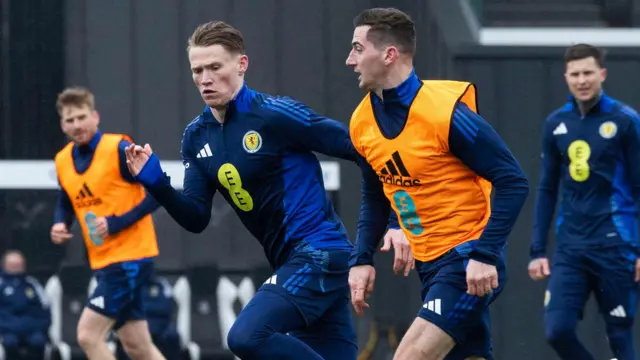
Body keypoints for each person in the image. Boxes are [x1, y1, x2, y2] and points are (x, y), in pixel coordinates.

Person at [123, 21, 360, 360]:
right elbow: (195, 217)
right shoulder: (196, 137)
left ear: (241, 64)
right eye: (197, 70)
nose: (205, 78)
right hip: (288, 262)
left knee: (247, 336)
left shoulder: (274, 114)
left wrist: (392, 224)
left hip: (319, 253)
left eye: (215, 67)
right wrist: (156, 182)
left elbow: (361, 149)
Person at [346, 8, 530, 360]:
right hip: (430, 266)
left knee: (409, 356)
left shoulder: (445, 114)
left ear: (389, 54)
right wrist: (361, 259)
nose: (349, 59)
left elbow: (513, 181)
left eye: (357, 48)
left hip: (467, 262)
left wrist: (484, 254)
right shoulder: (361, 121)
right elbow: (375, 195)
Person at [528, 44, 640, 360]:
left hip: (616, 246)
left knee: (619, 335)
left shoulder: (625, 121)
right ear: (566, 78)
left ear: (602, 74)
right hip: (571, 248)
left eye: (588, 72)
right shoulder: (555, 124)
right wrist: (537, 249)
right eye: (575, 74)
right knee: (557, 330)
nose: (582, 80)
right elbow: (547, 188)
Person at [50, 87, 165, 360]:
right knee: (138, 346)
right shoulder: (63, 160)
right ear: (62, 124)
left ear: (95, 116)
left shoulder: (119, 148)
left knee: (88, 336)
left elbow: (160, 189)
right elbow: (66, 200)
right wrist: (60, 224)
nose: (77, 125)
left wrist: (117, 222)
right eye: (70, 120)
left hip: (130, 259)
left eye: (81, 117)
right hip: (104, 261)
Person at [116, 275, 181, 360]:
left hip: (158, 328)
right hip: (134, 324)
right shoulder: (128, 285)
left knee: (172, 337)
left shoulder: (162, 285)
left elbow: (168, 306)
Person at [0, 250, 51, 360]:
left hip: (32, 329)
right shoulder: (1, 284)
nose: (16, 267)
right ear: (4, 265)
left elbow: (45, 308)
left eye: (19, 265)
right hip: (6, 330)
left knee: (38, 342)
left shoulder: (32, 284)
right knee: (10, 343)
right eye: (13, 265)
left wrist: (39, 327)